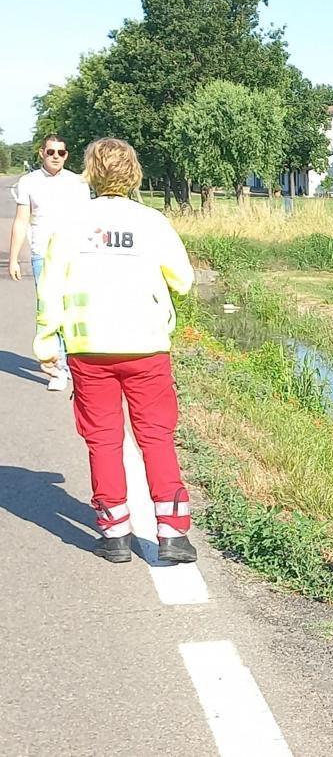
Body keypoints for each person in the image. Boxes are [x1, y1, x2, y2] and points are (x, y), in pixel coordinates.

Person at [34, 137, 197, 564]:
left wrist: (46, 342)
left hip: (89, 350)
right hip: (145, 348)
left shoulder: (70, 225)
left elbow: (49, 288)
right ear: (133, 173)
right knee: (156, 436)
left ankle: (115, 533)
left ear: (90, 171)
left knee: (103, 440)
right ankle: (173, 534)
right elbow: (182, 279)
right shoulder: (152, 222)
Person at [8, 134, 92, 391]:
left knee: (72, 311)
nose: (56, 156)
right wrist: (14, 259)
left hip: (73, 255)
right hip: (42, 254)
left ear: (67, 155)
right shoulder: (29, 182)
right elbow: (22, 221)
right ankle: (57, 369)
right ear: (41, 153)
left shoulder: (78, 183)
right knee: (49, 312)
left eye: (61, 152)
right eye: (51, 152)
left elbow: (88, 221)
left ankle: (72, 365)